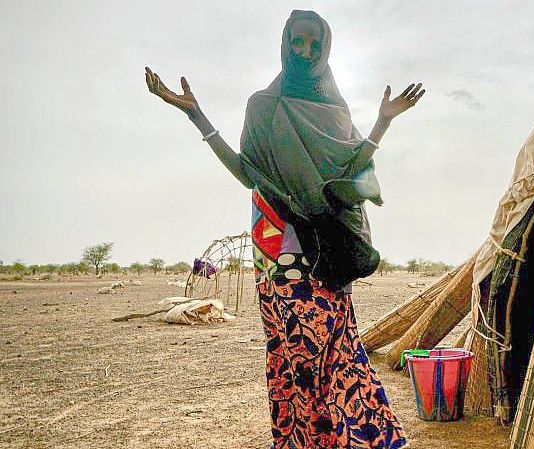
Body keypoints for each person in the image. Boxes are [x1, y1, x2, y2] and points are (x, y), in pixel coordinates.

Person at [145, 9, 424, 449]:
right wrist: (196, 116)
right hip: (279, 245)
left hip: (331, 245)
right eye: (298, 41)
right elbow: (247, 173)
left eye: (315, 43)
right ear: (285, 43)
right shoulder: (263, 106)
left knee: (338, 350)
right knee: (295, 357)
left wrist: (383, 121)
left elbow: (352, 169)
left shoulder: (335, 108)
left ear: (326, 49)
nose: (306, 50)